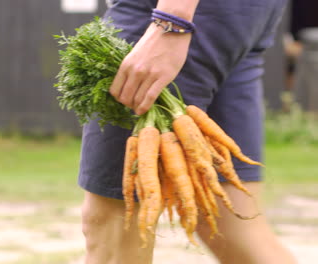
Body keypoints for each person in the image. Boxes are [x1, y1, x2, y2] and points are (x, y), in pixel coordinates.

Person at [78, 0, 298, 263]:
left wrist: (172, 21)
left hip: (175, 12)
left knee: (113, 227)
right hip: (240, 14)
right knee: (231, 226)